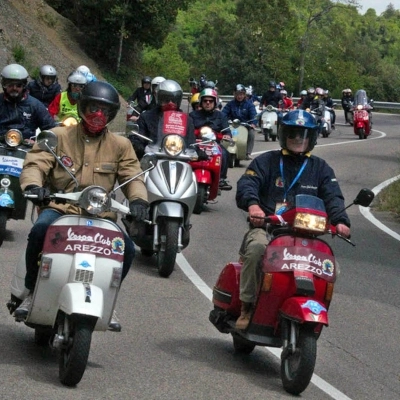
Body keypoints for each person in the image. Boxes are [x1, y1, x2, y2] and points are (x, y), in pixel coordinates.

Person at [14, 81, 149, 332]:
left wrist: (139, 201)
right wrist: (34, 186)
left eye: (104, 111)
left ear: (111, 115)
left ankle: (108, 299)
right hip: (59, 208)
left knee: (127, 249)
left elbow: (134, 176)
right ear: (82, 107)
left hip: (101, 214)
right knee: (40, 231)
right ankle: (32, 290)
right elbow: (36, 164)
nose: (98, 116)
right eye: (93, 108)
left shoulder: (121, 145)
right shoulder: (57, 136)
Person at [235, 109, 351, 330]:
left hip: (305, 233)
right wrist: (254, 206)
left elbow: (333, 197)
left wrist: (341, 222)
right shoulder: (267, 161)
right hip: (268, 228)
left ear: (313, 138)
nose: (299, 139)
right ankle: (247, 306)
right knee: (257, 249)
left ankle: (314, 307)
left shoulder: (321, 168)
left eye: (305, 135)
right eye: (293, 134)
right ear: (283, 135)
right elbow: (247, 184)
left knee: (330, 266)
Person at [130, 79, 205, 161]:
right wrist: (138, 145)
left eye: (174, 99)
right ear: (159, 98)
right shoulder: (146, 117)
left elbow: (191, 143)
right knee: (134, 171)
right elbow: (139, 137)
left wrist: (198, 152)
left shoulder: (187, 120)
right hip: (153, 160)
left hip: (179, 159)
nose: (170, 103)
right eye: (166, 99)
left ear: (178, 100)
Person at [190, 88, 232, 191]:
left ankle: (221, 178)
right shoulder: (193, 115)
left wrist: (227, 135)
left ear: (215, 102)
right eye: (205, 101)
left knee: (225, 153)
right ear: (201, 102)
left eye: (210, 101)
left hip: (214, 144)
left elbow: (227, 131)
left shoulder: (221, 116)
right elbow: (186, 129)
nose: (208, 103)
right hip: (195, 143)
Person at [0, 63, 56, 139]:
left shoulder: (35, 105)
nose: (14, 88)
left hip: (26, 147)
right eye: (10, 85)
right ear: (4, 85)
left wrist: (37, 143)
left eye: (18, 85)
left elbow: (51, 128)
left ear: (24, 86)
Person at [221, 84, 257, 160]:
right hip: (232, 125)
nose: (239, 96)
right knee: (222, 132)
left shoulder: (249, 105)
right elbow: (223, 113)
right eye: (237, 94)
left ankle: (248, 152)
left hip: (245, 126)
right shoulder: (230, 104)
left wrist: (253, 123)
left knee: (251, 133)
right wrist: (223, 120)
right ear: (234, 94)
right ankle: (222, 151)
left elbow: (254, 115)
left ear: (244, 95)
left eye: (241, 94)